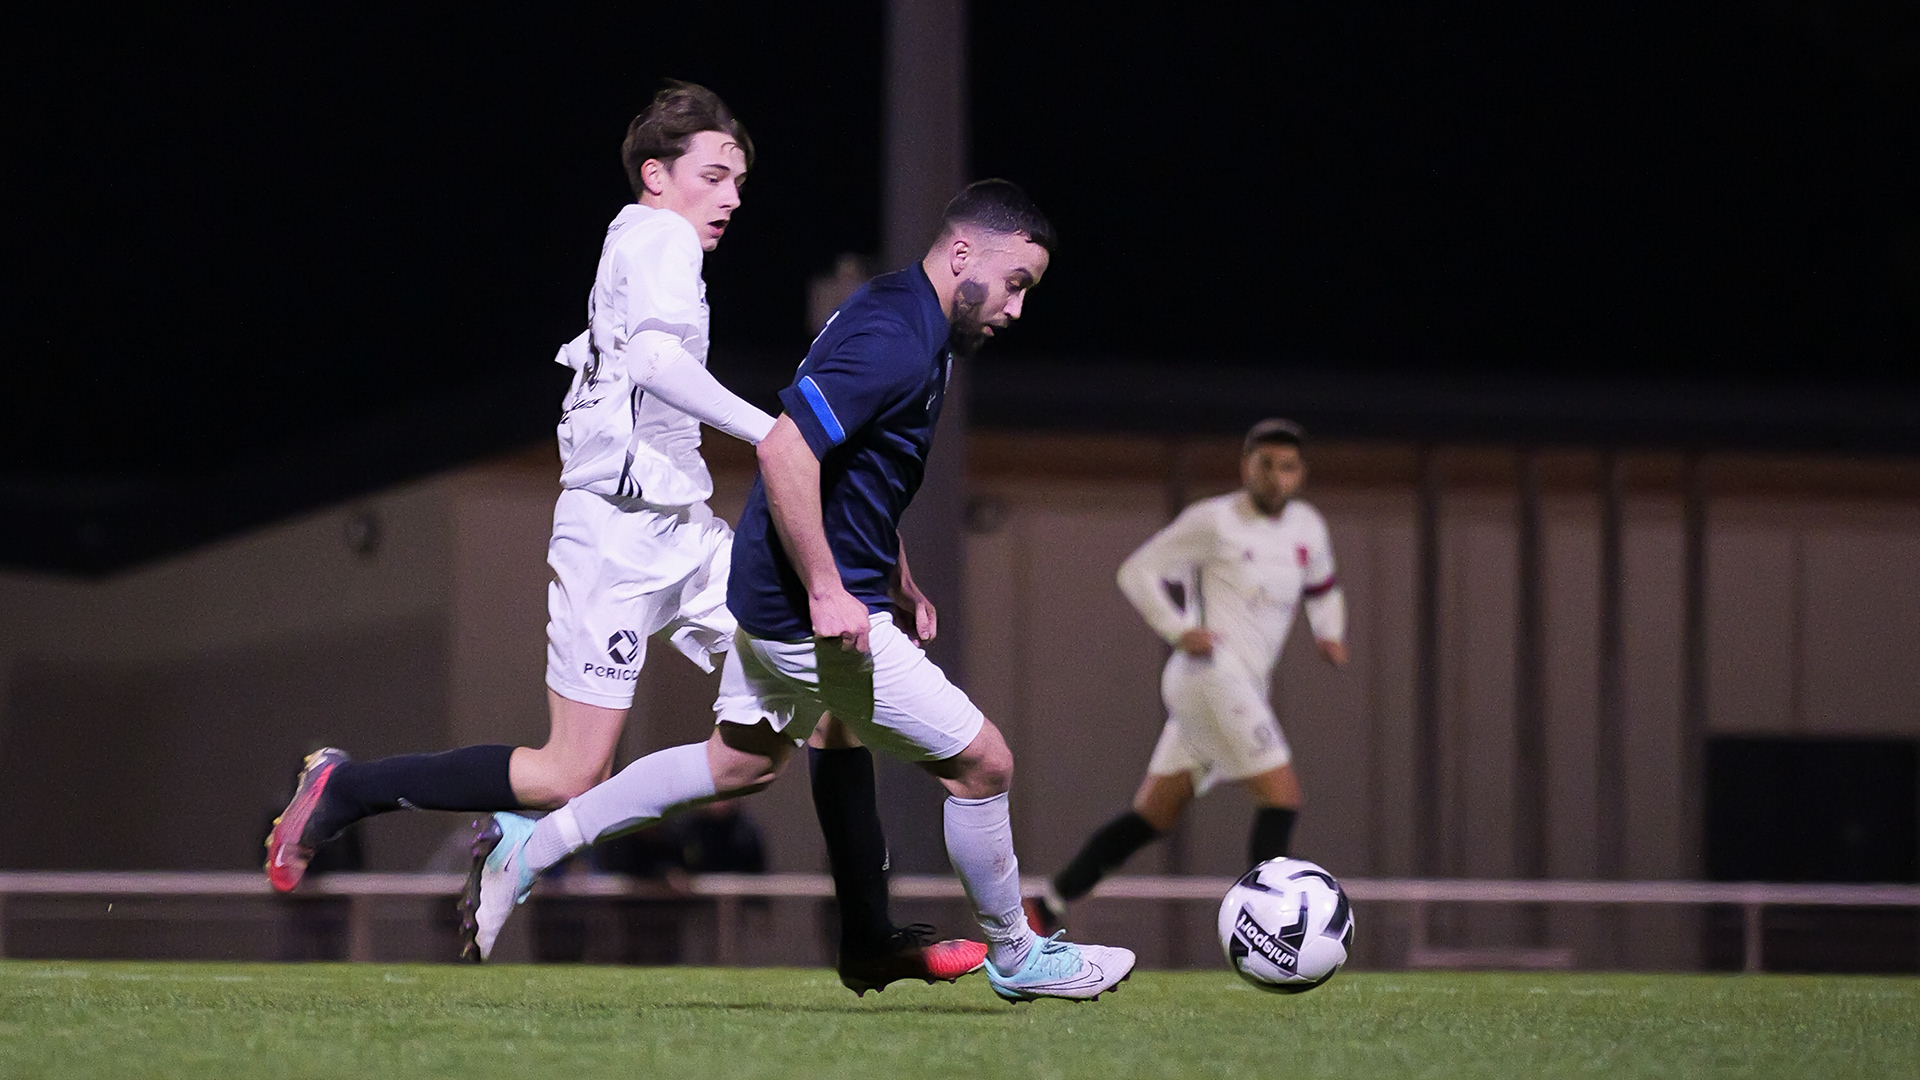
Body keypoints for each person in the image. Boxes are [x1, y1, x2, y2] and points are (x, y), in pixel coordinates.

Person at [262, 81, 982, 989]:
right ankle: (350, 789)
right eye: (714, 176)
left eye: (739, 182)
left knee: (807, 711)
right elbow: (653, 360)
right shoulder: (657, 236)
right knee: (569, 770)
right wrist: (774, 433)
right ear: (655, 175)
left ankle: (869, 934)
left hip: (683, 532)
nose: (731, 197)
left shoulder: (650, 244)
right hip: (613, 533)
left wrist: (881, 559)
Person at [461, 179, 1137, 1003]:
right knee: (984, 762)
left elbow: (851, 467)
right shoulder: (896, 333)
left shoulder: (911, 319)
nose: (1016, 308)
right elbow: (786, 450)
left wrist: (892, 568)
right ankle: (1018, 954)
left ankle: (528, 848)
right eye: (1015, 283)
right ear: (963, 253)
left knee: (738, 764)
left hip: (775, 593)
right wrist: (826, 589)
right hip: (803, 614)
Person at [1025, 419, 1350, 935]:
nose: (1275, 476)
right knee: (1282, 797)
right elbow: (1136, 570)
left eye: (1287, 467)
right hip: (1211, 676)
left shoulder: (1307, 526)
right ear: (1245, 467)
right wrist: (1178, 629)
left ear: (1301, 474)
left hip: (1238, 687)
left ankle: (1046, 904)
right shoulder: (1214, 520)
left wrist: (1329, 632)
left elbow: (1322, 587)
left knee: (1154, 814)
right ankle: (1266, 929)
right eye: (1265, 464)